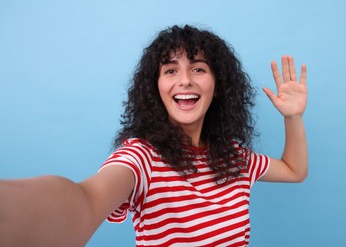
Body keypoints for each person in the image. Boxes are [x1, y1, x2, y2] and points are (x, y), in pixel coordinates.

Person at [0, 25, 308, 246]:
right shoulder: (141, 157)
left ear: (218, 87)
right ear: (156, 88)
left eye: (198, 69)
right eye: (170, 70)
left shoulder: (234, 157)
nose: (185, 80)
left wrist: (293, 117)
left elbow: (295, 171)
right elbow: (86, 199)